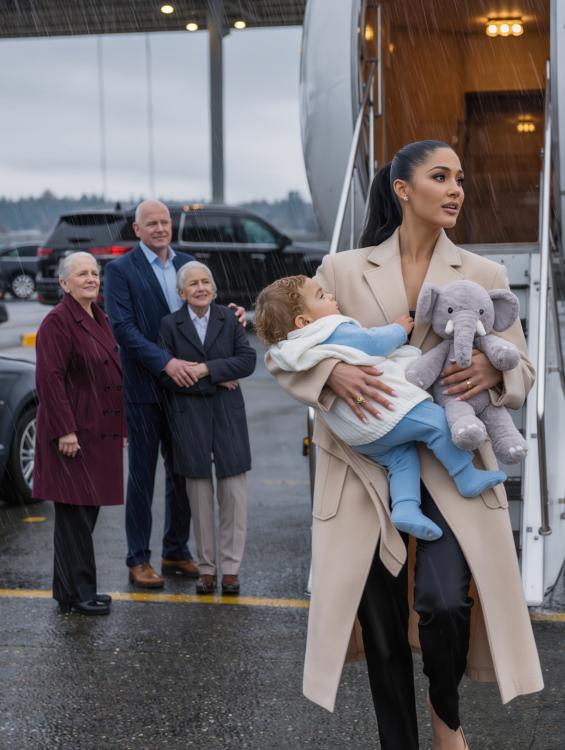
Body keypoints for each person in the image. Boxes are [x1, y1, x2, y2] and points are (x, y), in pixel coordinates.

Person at [266, 140, 543, 750]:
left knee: (445, 605)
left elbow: (523, 367)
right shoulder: (339, 269)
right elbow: (284, 347)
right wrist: (328, 375)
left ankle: (447, 722)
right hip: (365, 472)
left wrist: (498, 375)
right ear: (401, 188)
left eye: (460, 179)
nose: (455, 190)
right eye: (440, 177)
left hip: (453, 456)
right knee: (383, 630)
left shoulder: (483, 274)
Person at [257, 275, 507, 541]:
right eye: (321, 296)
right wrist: (399, 330)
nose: (330, 297)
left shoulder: (290, 347)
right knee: (437, 422)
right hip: (385, 410)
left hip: (357, 434)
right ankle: (466, 476)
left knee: (401, 457)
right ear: (303, 322)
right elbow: (371, 342)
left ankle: (405, 507)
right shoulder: (330, 328)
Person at [104, 200, 246, 588]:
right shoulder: (119, 270)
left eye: (165, 222)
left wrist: (231, 319)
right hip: (147, 388)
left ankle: (175, 549)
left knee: (186, 473)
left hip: (190, 392)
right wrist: (166, 362)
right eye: (151, 224)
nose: (160, 228)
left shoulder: (187, 262)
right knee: (142, 476)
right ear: (137, 229)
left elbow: (204, 311)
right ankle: (138, 558)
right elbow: (124, 330)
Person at [34, 252, 127, 615]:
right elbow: (49, 379)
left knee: (84, 514)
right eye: (82, 274)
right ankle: (80, 592)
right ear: (64, 283)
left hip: (97, 431)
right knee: (75, 517)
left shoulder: (97, 316)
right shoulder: (57, 321)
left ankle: (70, 592)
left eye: (95, 273)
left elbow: (111, 379)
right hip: (73, 434)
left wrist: (121, 427)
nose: (91, 279)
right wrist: (65, 430)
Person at [158, 262, 257, 594]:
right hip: (189, 420)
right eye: (193, 284)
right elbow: (166, 377)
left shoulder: (229, 319)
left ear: (213, 287)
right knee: (199, 501)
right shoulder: (169, 325)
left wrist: (201, 370)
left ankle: (230, 570)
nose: (200, 288)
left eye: (206, 282)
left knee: (233, 496)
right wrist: (217, 376)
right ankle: (207, 570)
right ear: (181, 292)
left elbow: (247, 361)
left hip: (229, 417)